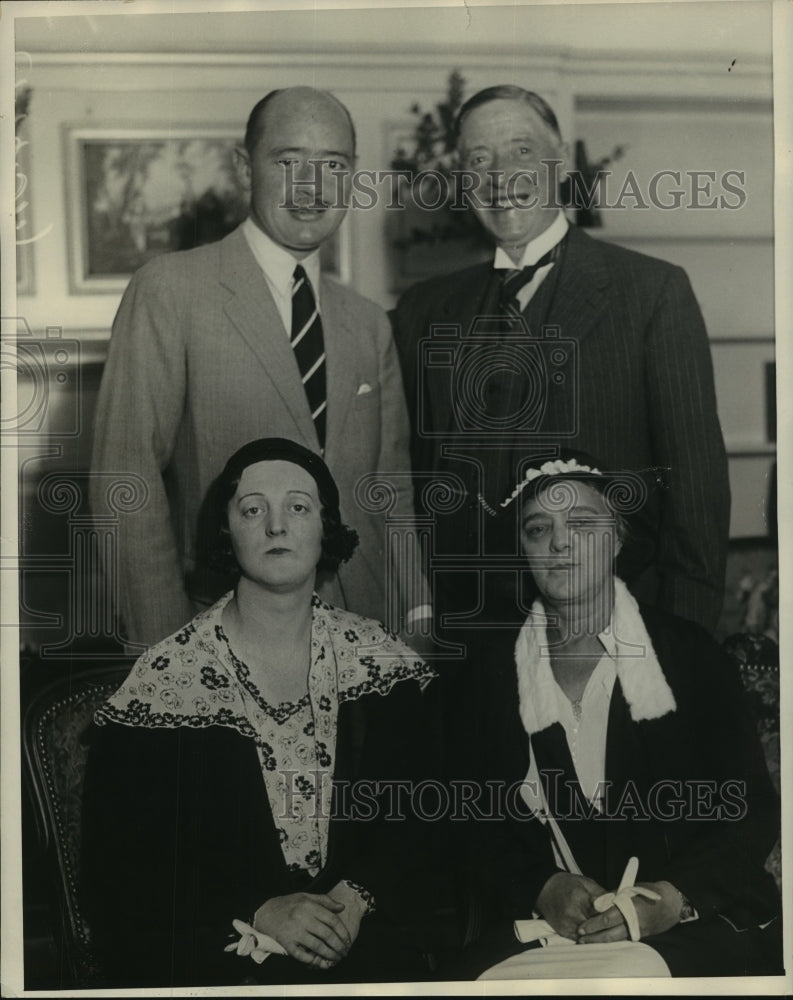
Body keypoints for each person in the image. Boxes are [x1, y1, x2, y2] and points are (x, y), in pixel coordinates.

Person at [81, 438, 438, 987]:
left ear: (326, 527)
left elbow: (424, 815)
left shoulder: (381, 663)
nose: (276, 526)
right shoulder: (164, 681)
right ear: (226, 531)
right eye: (253, 510)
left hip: (366, 946)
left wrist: (358, 896)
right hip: (216, 958)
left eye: (298, 506)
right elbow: (119, 868)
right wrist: (257, 909)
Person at [91, 87, 426, 648]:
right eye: (289, 162)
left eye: (333, 165)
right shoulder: (169, 290)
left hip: (365, 640)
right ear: (246, 169)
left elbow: (389, 489)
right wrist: (169, 653)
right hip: (223, 635)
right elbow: (125, 481)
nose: (312, 187)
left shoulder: (368, 321)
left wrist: (415, 614)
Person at [390, 84, 730, 639]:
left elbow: (696, 498)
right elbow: (407, 487)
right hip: (464, 646)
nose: (500, 175)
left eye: (521, 150)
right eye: (479, 159)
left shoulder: (651, 293)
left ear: (562, 160)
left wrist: (683, 650)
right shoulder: (422, 312)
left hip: (609, 641)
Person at [466, 453, 781, 980]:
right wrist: (540, 885)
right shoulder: (491, 674)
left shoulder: (689, 655)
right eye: (538, 528)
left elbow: (750, 809)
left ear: (616, 540)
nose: (559, 543)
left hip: (692, 927)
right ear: (522, 549)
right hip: (545, 933)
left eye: (581, 524)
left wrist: (676, 898)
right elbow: (467, 821)